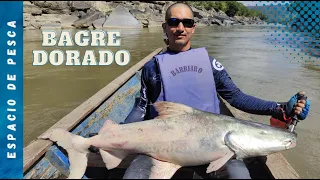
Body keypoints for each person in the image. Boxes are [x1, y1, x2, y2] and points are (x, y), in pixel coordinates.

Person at [91, 2, 311, 179]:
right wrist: (116, 135)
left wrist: (279, 108)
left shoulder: (210, 64)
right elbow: (141, 107)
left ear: (193, 28)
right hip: (160, 147)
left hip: (213, 144)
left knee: (240, 174)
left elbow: (236, 97)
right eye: (174, 22)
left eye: (186, 22)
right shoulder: (152, 67)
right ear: (165, 27)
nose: (180, 28)